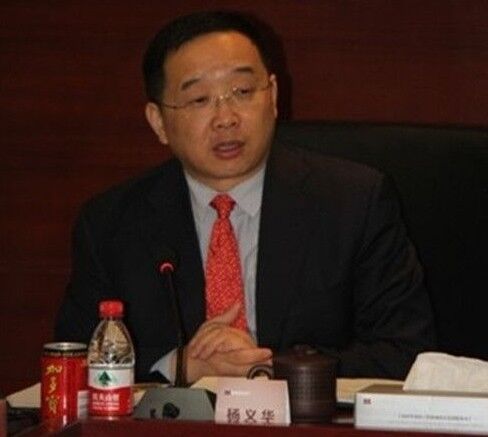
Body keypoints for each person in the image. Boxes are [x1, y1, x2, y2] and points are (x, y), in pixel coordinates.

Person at [55, 11, 436, 384]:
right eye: (199, 99)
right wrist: (177, 368)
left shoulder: (354, 203)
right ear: (159, 122)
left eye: (242, 91)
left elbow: (405, 353)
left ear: (273, 97)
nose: (226, 117)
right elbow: (74, 363)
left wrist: (266, 368)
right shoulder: (111, 224)